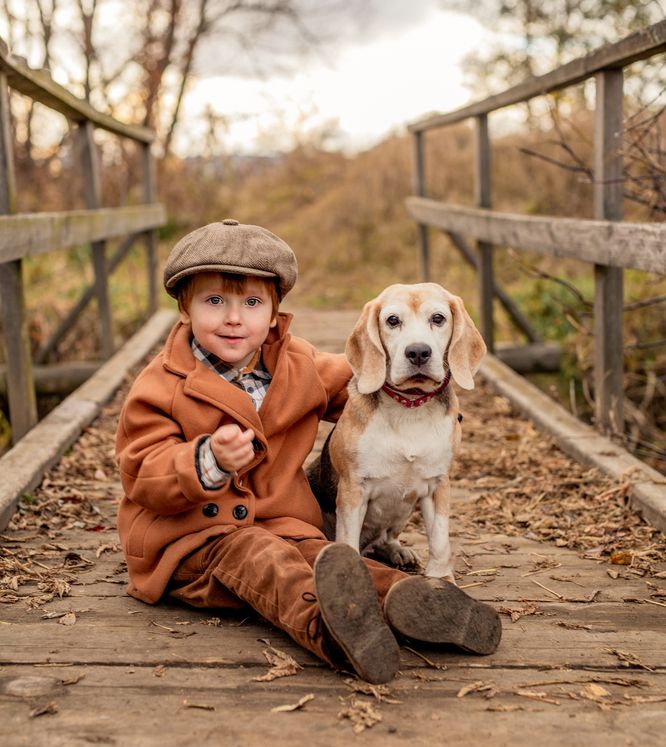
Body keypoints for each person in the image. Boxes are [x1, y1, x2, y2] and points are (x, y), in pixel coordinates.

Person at [116, 219, 501, 684]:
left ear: (275, 312)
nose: (234, 317)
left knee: (336, 561)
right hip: (194, 542)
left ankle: (425, 604)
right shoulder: (160, 385)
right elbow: (140, 471)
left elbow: (365, 380)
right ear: (184, 309)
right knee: (264, 561)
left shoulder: (298, 364)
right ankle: (331, 631)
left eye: (252, 303)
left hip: (288, 525)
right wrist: (207, 461)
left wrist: (425, 409)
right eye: (214, 301)